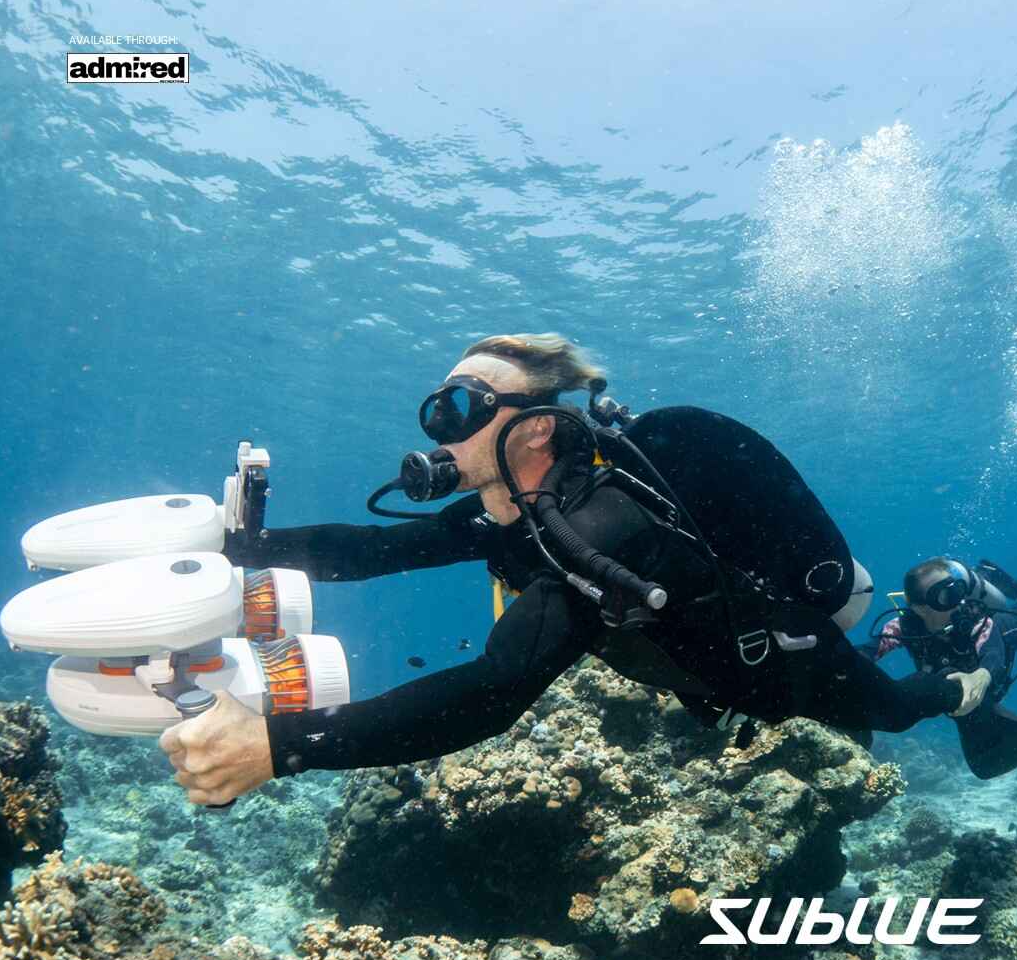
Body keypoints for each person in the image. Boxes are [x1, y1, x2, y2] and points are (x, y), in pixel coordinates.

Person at [159, 333, 973, 805]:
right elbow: (379, 550)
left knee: (896, 709)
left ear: (538, 430)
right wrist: (239, 549)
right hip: (689, 666)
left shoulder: (605, 532)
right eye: (437, 408)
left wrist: (280, 744)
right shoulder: (511, 508)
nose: (440, 429)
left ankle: (964, 686)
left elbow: (493, 691)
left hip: (776, 670)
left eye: (463, 406)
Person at [857, 546, 1017, 778]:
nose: (958, 602)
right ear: (919, 608)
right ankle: (986, 574)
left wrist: (982, 675)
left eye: (958, 590)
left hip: (1004, 633)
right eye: (945, 596)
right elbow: (872, 649)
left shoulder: (975, 620)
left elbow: (992, 652)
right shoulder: (903, 626)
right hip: (956, 679)